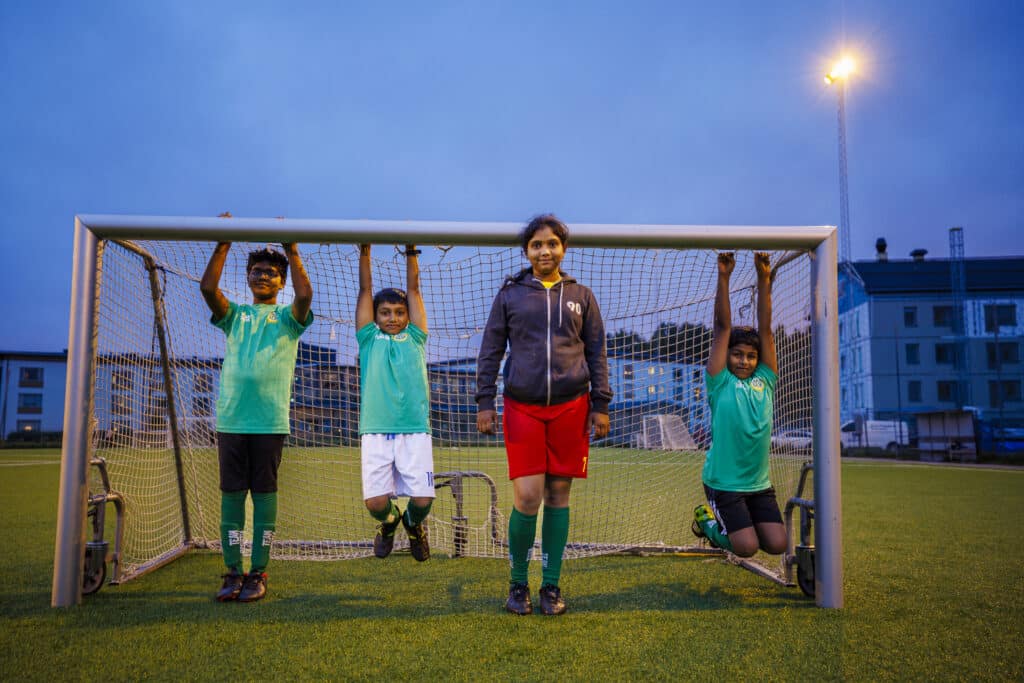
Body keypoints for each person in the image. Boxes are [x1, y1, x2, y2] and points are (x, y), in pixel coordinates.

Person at [476, 214, 612, 616]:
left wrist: (600, 404)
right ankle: (518, 583)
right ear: (527, 252)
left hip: (573, 408)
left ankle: (550, 587)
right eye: (536, 245)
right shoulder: (510, 295)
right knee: (528, 496)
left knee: (558, 495)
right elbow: (491, 350)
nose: (545, 250)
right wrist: (485, 401)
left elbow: (596, 352)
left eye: (552, 243)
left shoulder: (582, 296)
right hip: (523, 408)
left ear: (563, 248)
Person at [200, 242, 314, 602]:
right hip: (232, 419)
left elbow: (306, 293)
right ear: (247, 277)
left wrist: (292, 251)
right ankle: (233, 571)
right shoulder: (236, 315)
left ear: (282, 283)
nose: (263, 275)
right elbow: (207, 289)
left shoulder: (287, 320)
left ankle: (259, 572)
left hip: (269, 421)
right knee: (232, 496)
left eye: (271, 273)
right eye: (257, 271)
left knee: (263, 494)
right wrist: (223, 243)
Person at [692, 252, 787, 558]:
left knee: (776, 544)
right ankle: (707, 522)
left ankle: (739, 525)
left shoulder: (766, 379)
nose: (743, 360)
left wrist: (764, 278)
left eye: (750, 355)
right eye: (737, 354)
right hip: (724, 483)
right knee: (746, 547)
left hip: (758, 484)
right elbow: (722, 328)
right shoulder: (720, 382)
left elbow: (766, 329)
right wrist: (724, 276)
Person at [355, 244, 433, 562]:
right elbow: (365, 289)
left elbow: (413, 288)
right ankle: (389, 526)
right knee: (375, 503)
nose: (393, 318)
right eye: (385, 312)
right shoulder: (368, 339)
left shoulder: (416, 337)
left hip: (414, 428)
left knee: (424, 501)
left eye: (399, 312)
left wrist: (411, 252)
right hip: (375, 429)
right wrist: (365, 252)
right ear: (375, 315)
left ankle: (413, 527)